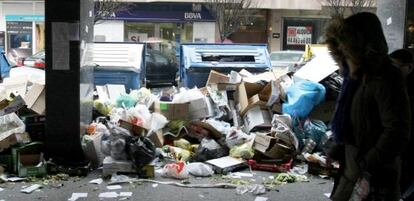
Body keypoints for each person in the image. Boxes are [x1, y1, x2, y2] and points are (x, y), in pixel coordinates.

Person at [325, 12, 411, 201]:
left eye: (345, 43)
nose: (341, 47)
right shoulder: (357, 76)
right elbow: (351, 122)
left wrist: (367, 163)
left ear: (359, 43)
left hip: (374, 175)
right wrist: (337, 150)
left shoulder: (385, 77)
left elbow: (397, 130)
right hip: (353, 169)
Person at [389, 49, 414, 200]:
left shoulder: (408, 88)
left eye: (396, 66)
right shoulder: (395, 84)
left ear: (409, 67)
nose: (393, 71)